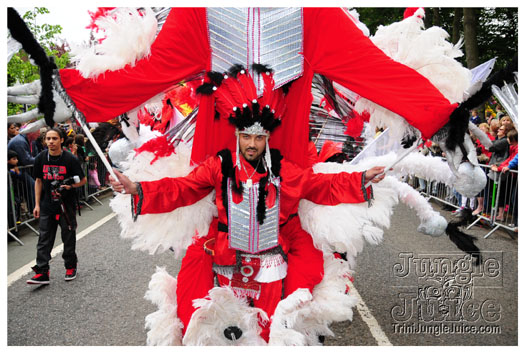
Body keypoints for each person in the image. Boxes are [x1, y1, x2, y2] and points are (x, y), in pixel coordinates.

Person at [109, 67, 386, 341]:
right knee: (220, 326)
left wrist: (362, 179)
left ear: (267, 138)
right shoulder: (219, 165)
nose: (251, 144)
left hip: (270, 262)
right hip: (226, 259)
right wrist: (137, 188)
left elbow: (322, 187)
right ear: (237, 136)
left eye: (258, 138)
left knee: (265, 330)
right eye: (246, 137)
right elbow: (182, 188)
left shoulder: (283, 169)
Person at [27, 128, 87, 285]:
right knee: (44, 239)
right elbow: (38, 181)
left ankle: (70, 266)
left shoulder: (69, 159)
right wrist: (37, 204)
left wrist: (71, 187)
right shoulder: (40, 158)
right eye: (48, 139)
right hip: (47, 205)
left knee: (68, 237)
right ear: (45, 141)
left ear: (61, 140)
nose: (51, 141)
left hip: (66, 205)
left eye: (54, 138)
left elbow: (83, 180)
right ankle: (42, 272)